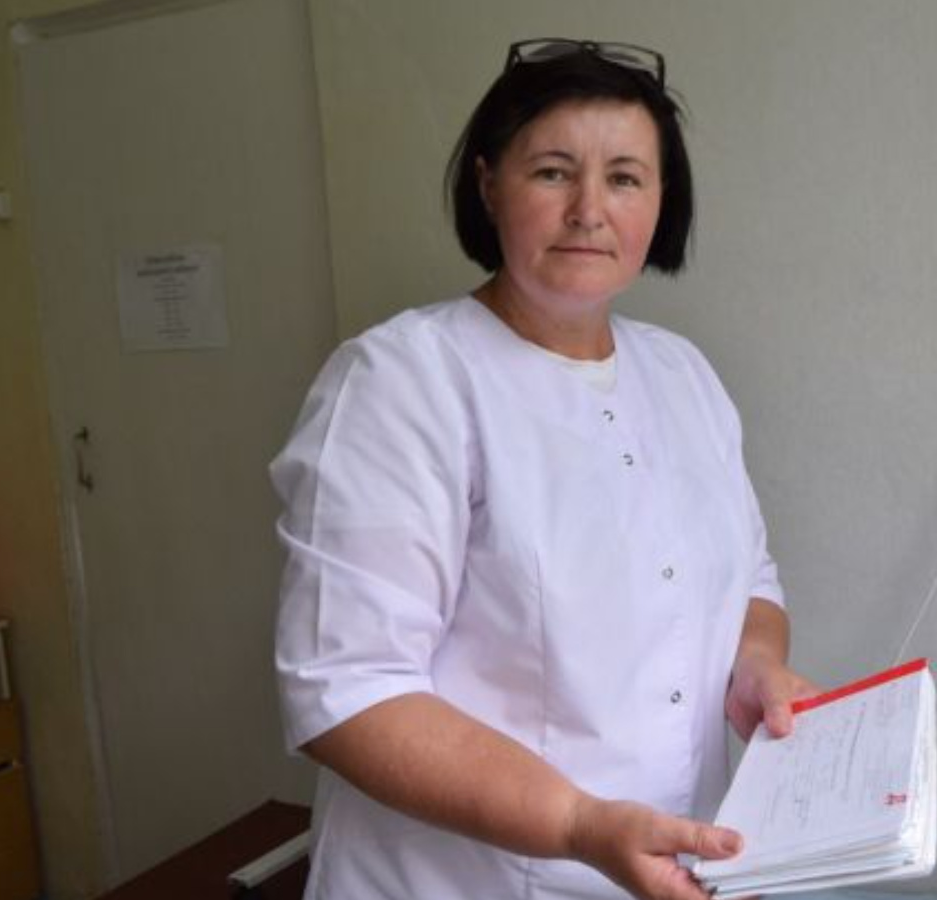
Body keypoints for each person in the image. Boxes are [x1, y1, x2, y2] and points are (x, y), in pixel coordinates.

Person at [272, 38, 814, 900]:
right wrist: (575, 825)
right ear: (489, 184)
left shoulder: (683, 374)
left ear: (661, 201)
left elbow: (751, 578)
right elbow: (348, 692)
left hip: (674, 868)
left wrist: (754, 665)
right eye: (554, 172)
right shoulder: (402, 381)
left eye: (625, 178)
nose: (590, 210)